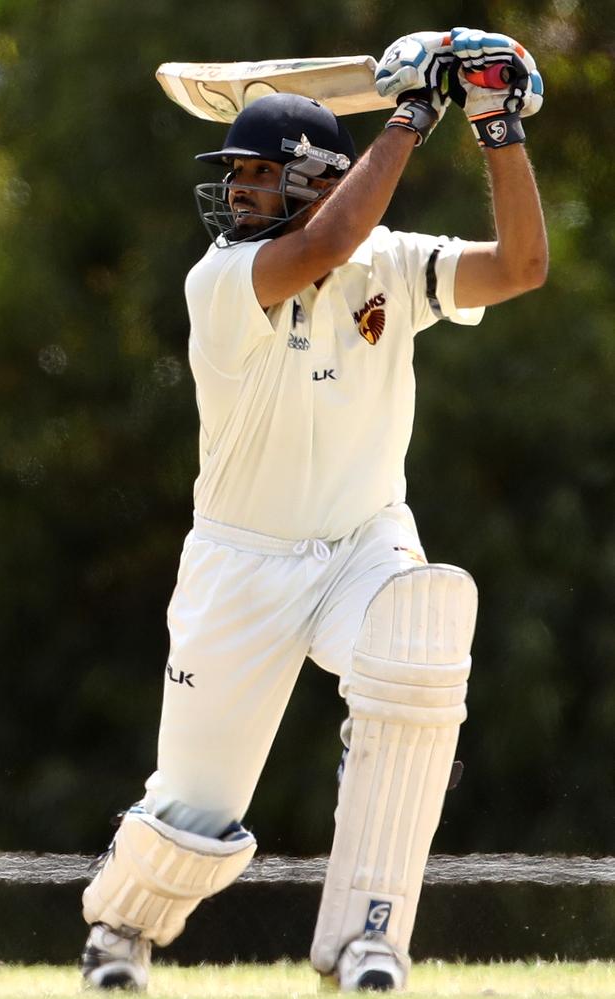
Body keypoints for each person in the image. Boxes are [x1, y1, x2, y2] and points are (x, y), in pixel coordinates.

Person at [80, 27, 547, 993]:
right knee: (193, 811)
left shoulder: (391, 263)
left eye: (258, 175)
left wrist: (499, 130)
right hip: (240, 563)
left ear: (321, 179)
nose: (237, 192)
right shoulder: (222, 279)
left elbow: (518, 269)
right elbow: (329, 240)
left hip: (361, 543)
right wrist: (417, 111)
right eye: (237, 172)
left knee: (422, 636)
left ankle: (366, 937)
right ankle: (119, 928)